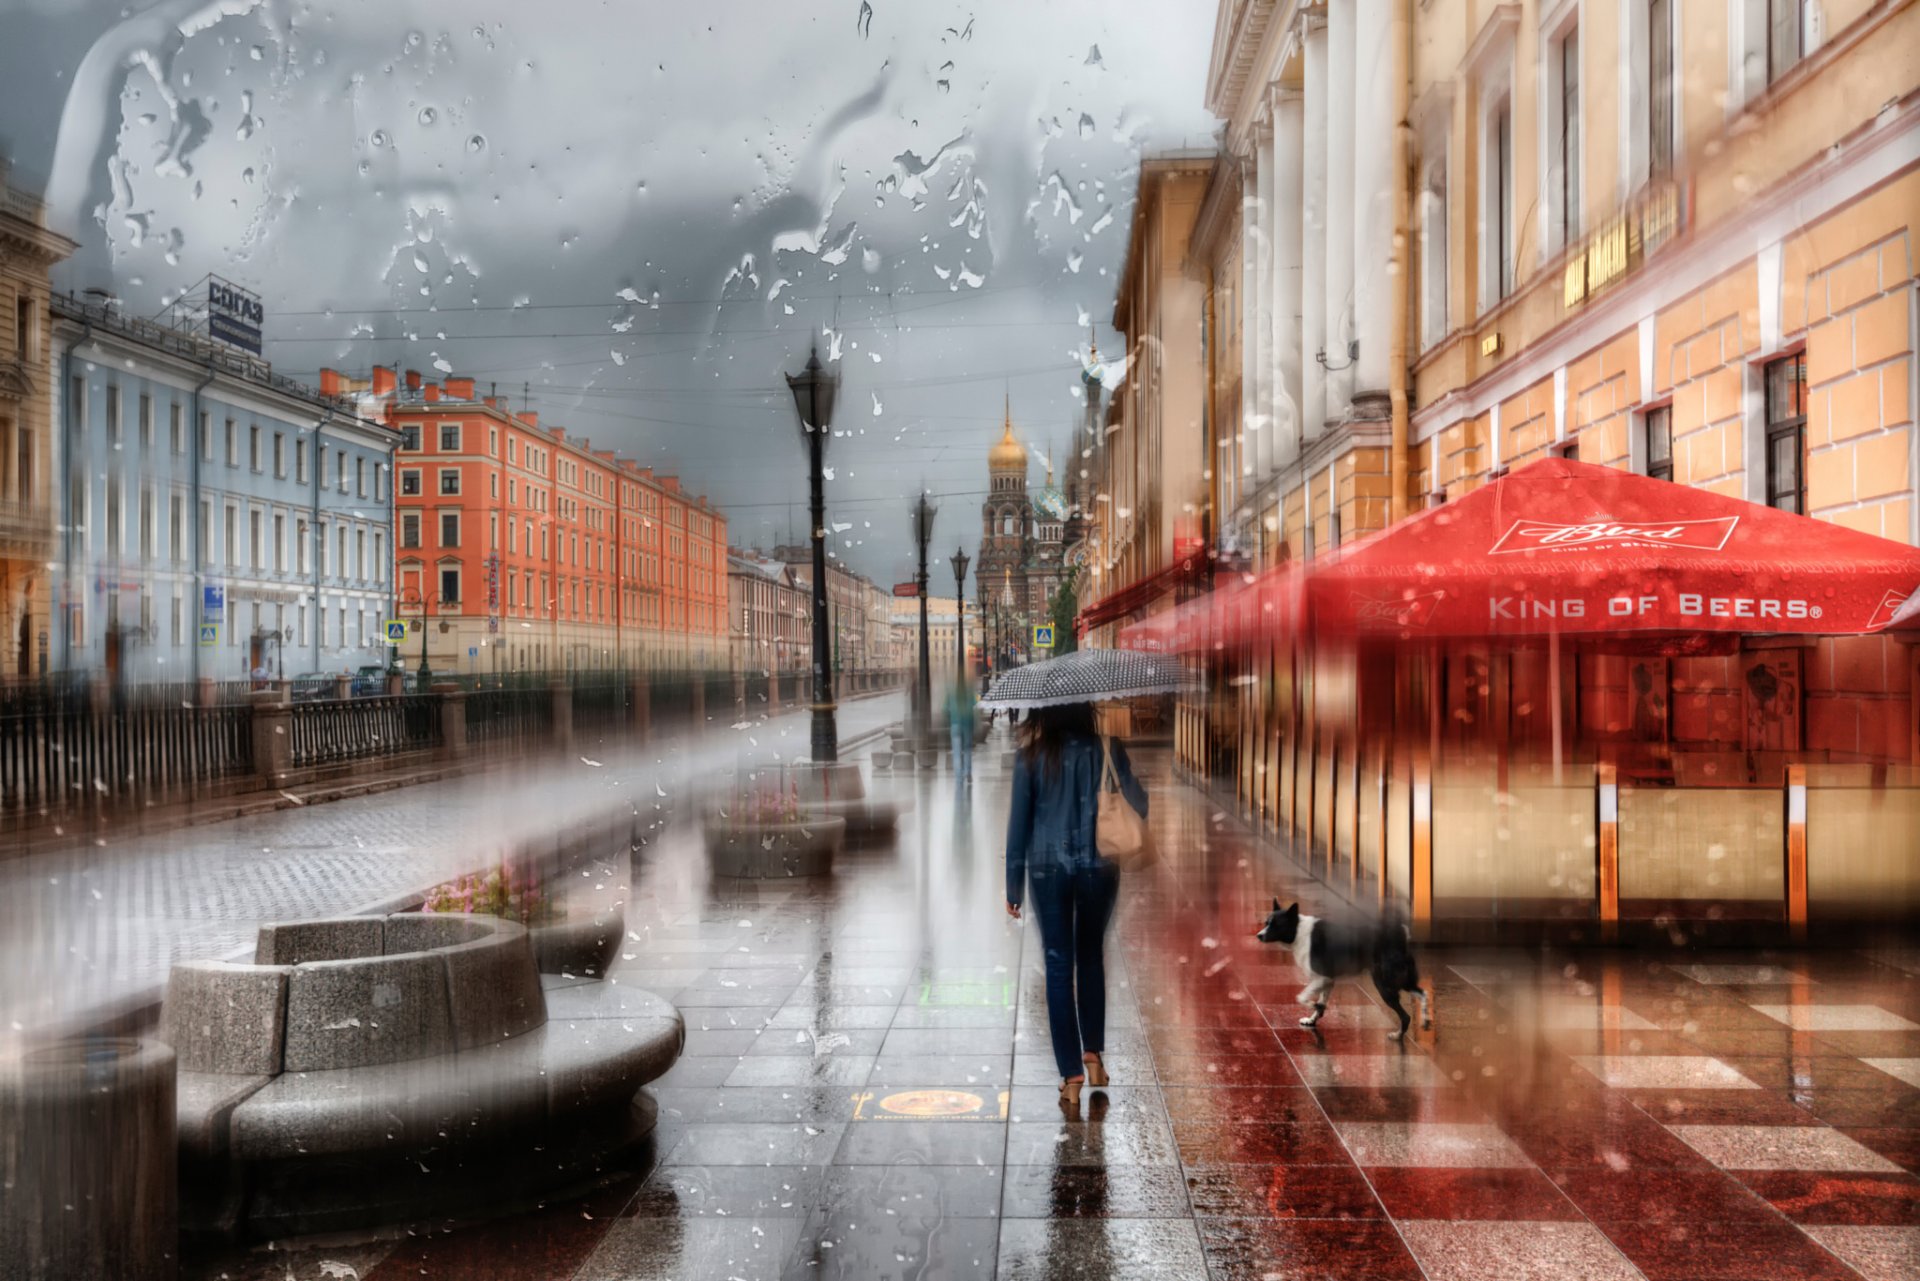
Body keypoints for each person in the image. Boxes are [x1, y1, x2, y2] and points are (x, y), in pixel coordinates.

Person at [1004, 701, 1146, 1108]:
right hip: (1098, 866)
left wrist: (1012, 886)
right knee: (1090, 956)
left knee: (1058, 964)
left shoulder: (1030, 757)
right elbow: (1140, 804)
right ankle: (1094, 1055)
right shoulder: (1108, 749)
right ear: (1086, 709)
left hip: (1048, 870)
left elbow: (1019, 827)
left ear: (1044, 713)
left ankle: (1071, 1074)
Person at [945, 675, 977, 780]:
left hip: (955, 724)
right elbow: (975, 704)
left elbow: (945, 709)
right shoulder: (969, 691)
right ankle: (968, 772)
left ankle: (959, 775)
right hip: (967, 724)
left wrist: (951, 715)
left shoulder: (951, 692)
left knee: (957, 752)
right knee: (967, 749)